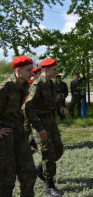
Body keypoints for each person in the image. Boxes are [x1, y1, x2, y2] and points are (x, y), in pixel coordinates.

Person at [25, 58, 67, 197]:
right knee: (48, 154)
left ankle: (39, 171)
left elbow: (55, 99)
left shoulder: (50, 83)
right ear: (45, 70)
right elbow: (27, 108)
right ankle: (49, 186)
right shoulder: (37, 85)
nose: (56, 72)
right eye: (54, 69)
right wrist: (38, 127)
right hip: (40, 124)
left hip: (51, 122)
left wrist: (60, 107)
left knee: (58, 150)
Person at [0, 56, 36, 197]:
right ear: (18, 70)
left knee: (29, 173)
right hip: (5, 138)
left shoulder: (24, 85)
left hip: (20, 134)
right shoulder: (5, 89)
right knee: (6, 179)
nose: (32, 73)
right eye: (29, 70)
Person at [25, 66, 41, 150]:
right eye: (39, 73)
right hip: (27, 109)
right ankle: (23, 144)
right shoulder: (30, 83)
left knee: (34, 127)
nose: (40, 75)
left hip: (34, 109)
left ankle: (33, 142)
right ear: (34, 75)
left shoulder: (36, 83)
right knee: (27, 128)